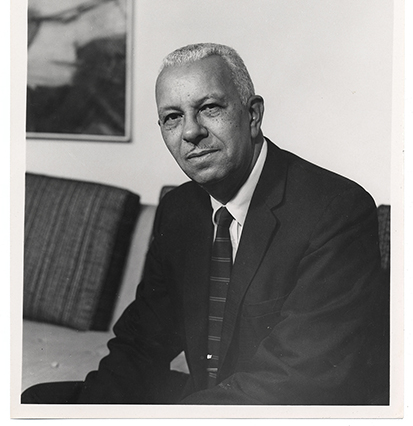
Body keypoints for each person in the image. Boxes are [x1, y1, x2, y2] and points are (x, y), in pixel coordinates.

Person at [22, 43, 388, 405]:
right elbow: (141, 343)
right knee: (43, 402)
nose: (190, 132)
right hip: (216, 399)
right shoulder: (180, 208)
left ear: (253, 115)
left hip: (287, 407)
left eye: (209, 107)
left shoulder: (335, 209)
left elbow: (295, 379)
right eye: (172, 117)